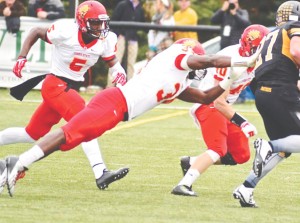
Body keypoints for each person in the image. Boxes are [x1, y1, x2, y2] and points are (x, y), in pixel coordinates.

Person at [0, 37, 260, 196]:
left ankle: (14, 164)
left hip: (117, 111)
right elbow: (210, 60)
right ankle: (18, 163)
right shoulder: (176, 57)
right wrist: (240, 63)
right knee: (69, 133)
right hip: (114, 102)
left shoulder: (180, 82)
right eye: (197, 56)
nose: (199, 61)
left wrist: (228, 80)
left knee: (68, 141)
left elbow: (205, 99)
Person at [0, 1, 129, 195]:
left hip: (69, 87)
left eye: (102, 23)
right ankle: (100, 171)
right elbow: (35, 31)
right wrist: (22, 57)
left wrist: (119, 72)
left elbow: (112, 62)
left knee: (31, 134)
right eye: (95, 23)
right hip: (55, 84)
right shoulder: (66, 30)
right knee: (86, 122)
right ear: (82, 21)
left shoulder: (106, 39)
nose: (100, 27)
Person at [171, 24, 269, 197]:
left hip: (225, 107)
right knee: (218, 149)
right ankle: (183, 184)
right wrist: (243, 122)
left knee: (241, 155)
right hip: (208, 103)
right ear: (247, 46)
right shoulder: (230, 59)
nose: (262, 53)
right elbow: (218, 101)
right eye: (258, 49)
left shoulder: (256, 60)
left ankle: (192, 162)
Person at [233, 1, 300, 208]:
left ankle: (246, 187)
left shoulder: (270, 35)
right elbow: (297, 52)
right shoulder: (294, 28)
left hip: (264, 93)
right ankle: (267, 146)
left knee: (283, 149)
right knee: (276, 146)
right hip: (281, 90)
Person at [106, 0, 145, 88]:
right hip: (121, 37)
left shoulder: (140, 8)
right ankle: (109, 87)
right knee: (115, 62)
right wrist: (117, 35)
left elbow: (142, 23)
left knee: (131, 64)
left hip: (133, 39)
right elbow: (114, 21)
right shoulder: (123, 5)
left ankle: (129, 88)